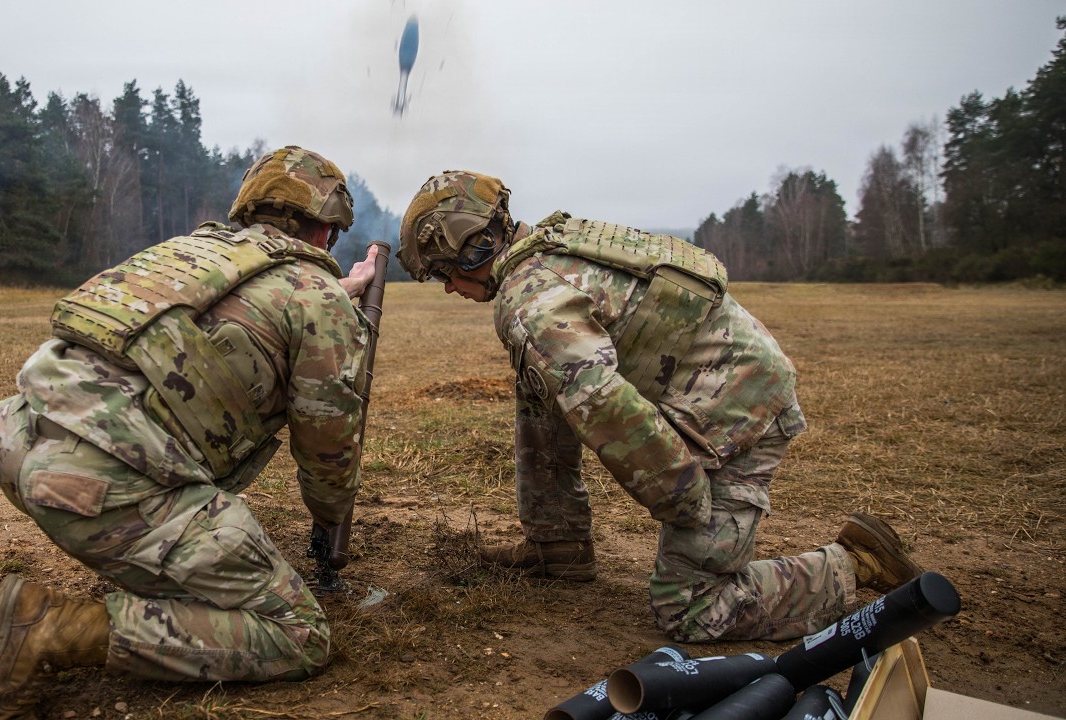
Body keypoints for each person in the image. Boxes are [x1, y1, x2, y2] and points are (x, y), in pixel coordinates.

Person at [395, 170, 923, 643]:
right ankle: (558, 546)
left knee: (691, 609)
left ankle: (857, 564)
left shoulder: (530, 302)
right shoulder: (551, 249)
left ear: (472, 252)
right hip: (724, 386)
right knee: (538, 386)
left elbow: (606, 407)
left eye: (444, 272)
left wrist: (687, 504)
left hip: (739, 416)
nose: (446, 289)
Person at [0, 146, 379, 719]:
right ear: (326, 230)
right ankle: (53, 630)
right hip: (104, 486)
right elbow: (328, 448)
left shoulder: (192, 252)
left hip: (14, 442)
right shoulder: (314, 296)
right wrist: (331, 518)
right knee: (298, 632)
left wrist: (333, 296)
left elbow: (241, 314)